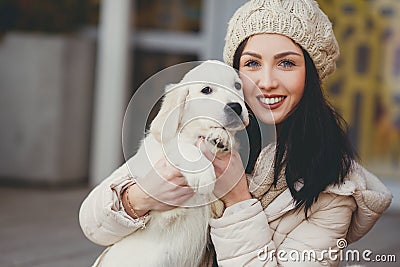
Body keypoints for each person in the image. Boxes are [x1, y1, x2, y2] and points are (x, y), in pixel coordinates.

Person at [79, 0, 393, 266]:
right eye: (252, 63)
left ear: (311, 75)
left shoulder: (336, 188)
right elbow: (94, 226)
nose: (267, 81)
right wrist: (141, 197)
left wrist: (237, 197)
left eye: (286, 63)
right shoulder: (196, 131)